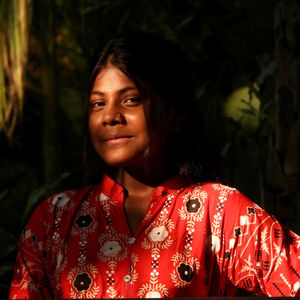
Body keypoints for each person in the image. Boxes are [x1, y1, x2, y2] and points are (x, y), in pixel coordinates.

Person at [9, 32, 300, 299]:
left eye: (131, 100)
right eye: (98, 104)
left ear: (176, 114)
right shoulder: (54, 220)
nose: (110, 116)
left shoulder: (220, 210)